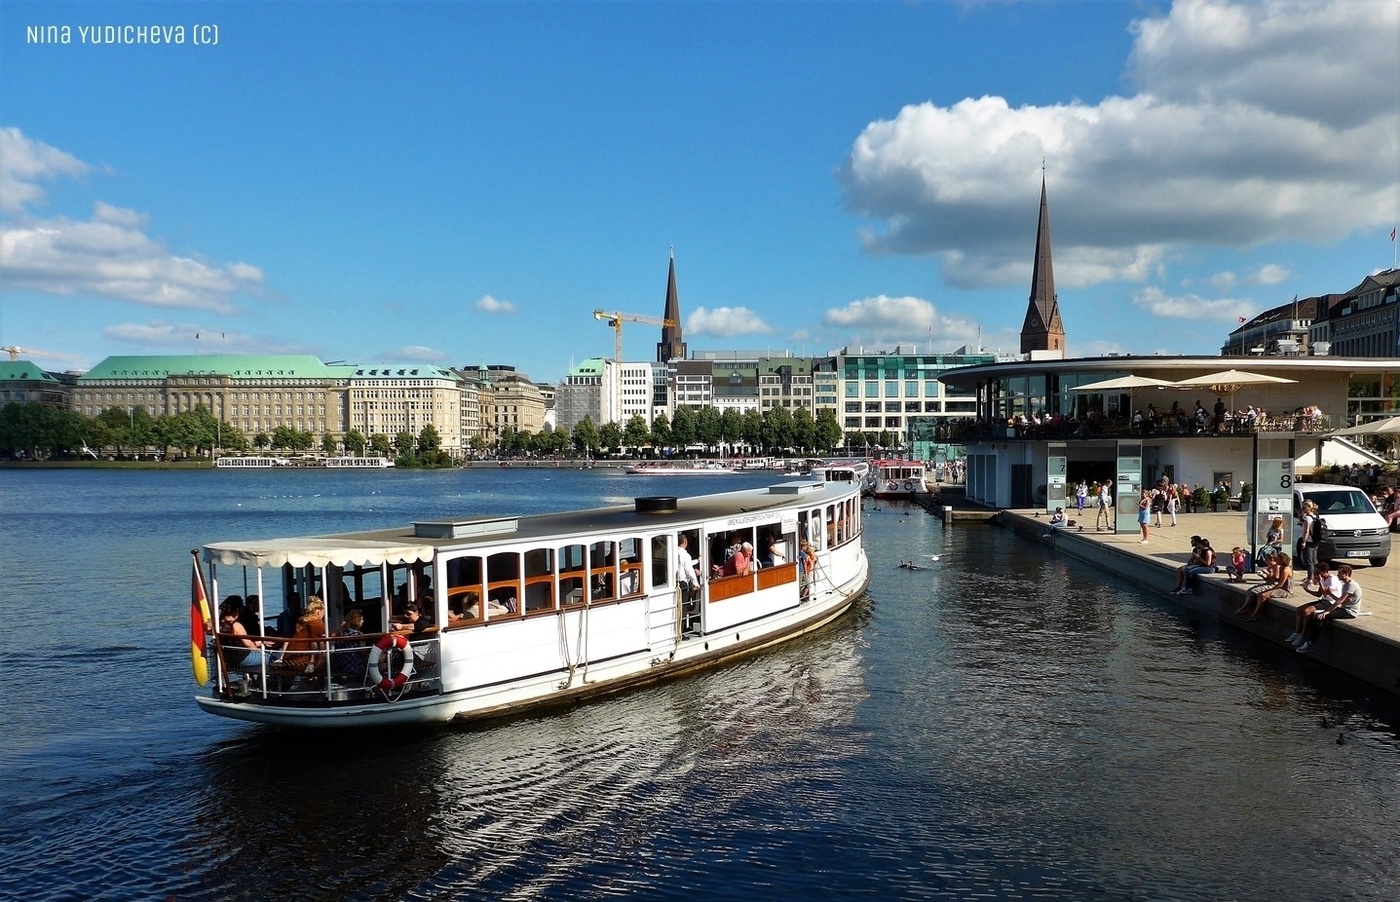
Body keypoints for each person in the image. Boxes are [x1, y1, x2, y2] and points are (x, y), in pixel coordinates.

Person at [1297, 564, 1362, 652]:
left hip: (1349, 611)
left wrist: (1326, 612)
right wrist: (1330, 594)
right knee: (1316, 615)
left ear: (1346, 574)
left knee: (1320, 617)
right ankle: (1307, 638)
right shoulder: (1345, 584)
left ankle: (1311, 643)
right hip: (1343, 608)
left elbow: (1340, 601)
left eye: (1340, 573)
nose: (1338, 575)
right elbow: (1342, 600)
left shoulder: (1351, 585)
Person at [1288, 562, 1341, 647]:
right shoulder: (1323, 579)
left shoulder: (1332, 580)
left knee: (1307, 611)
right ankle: (1297, 632)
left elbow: (1326, 593)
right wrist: (1308, 590)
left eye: (1318, 572)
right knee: (1299, 609)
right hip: (1324, 600)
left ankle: (1304, 635)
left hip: (1331, 602)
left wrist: (1320, 582)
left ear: (1325, 571)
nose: (1317, 574)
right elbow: (1319, 594)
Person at [217, 597, 268, 681]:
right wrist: (260, 653)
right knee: (272, 658)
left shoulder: (218, 624)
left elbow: (239, 644)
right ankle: (265, 683)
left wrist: (261, 642)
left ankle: (255, 680)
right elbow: (249, 644)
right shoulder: (236, 625)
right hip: (242, 659)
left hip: (228, 659)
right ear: (237, 609)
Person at [1238, 551, 1292, 621]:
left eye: (1277, 559)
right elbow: (1277, 580)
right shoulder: (1281, 567)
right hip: (1280, 588)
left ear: (1282, 560)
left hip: (1286, 590)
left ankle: (1255, 615)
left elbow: (1280, 584)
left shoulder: (1286, 569)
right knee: (1260, 594)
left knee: (1262, 595)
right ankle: (1254, 614)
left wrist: (1269, 590)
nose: (1275, 561)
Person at [279, 595, 326, 673]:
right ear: (319, 612)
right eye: (323, 612)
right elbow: (319, 644)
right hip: (302, 660)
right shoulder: (317, 623)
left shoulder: (302, 619)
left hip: (290, 658)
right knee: (326, 658)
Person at [331, 609, 368, 680]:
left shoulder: (341, 634)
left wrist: (341, 627)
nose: (363, 621)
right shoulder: (359, 635)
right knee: (377, 664)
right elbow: (364, 653)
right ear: (357, 621)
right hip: (355, 667)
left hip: (340, 667)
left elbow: (333, 636)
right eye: (362, 619)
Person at [1297, 500, 1320, 586]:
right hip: (1316, 540)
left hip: (1309, 541)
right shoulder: (1315, 516)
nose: (1302, 509)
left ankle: (1310, 579)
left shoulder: (1308, 518)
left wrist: (1303, 542)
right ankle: (1316, 578)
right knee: (1314, 560)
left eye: (1304, 507)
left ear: (1309, 508)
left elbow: (1306, 531)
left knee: (1309, 561)